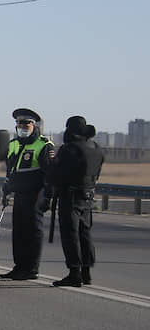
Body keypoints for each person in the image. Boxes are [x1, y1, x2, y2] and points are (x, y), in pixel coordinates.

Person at [47, 116, 104, 287]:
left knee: (71, 235)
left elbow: (56, 174)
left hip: (70, 196)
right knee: (85, 234)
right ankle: (86, 272)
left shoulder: (70, 149)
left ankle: (74, 273)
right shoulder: (96, 148)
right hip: (88, 196)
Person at [0, 108, 56, 280]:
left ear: (34, 125)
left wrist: (48, 197)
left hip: (35, 194)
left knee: (33, 232)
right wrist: (7, 189)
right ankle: (19, 266)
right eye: (19, 123)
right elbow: (12, 170)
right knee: (19, 231)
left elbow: (50, 175)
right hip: (20, 194)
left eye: (26, 123)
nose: (22, 126)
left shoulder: (44, 145)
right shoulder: (14, 144)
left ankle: (31, 268)